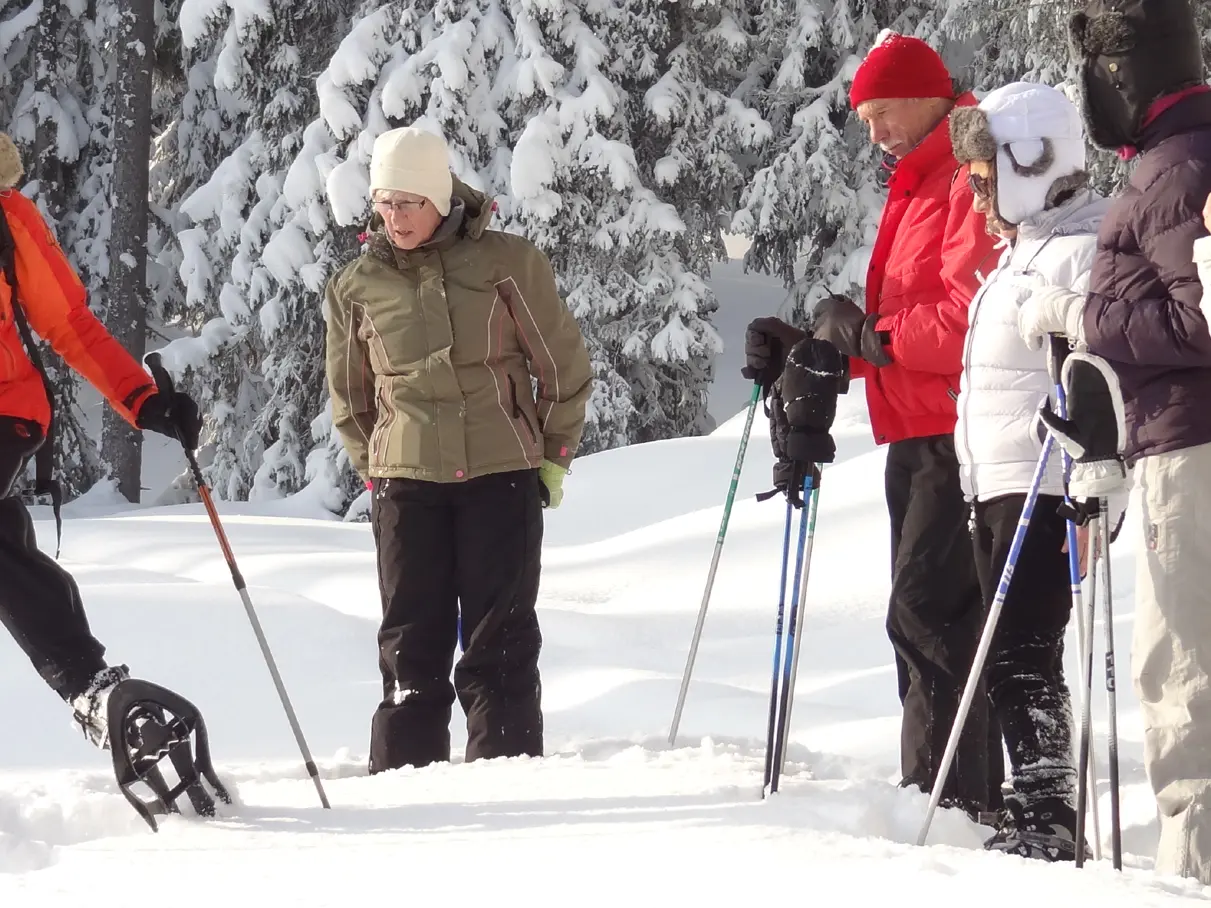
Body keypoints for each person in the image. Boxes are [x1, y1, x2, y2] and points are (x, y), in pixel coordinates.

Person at [745, 32, 1003, 817]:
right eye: (864, 120)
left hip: (960, 434)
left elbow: (971, 319)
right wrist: (819, 346)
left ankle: (951, 803)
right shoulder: (915, 182)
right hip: (916, 431)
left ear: (929, 97)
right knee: (923, 615)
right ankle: (946, 794)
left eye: (883, 112)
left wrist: (867, 338)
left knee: (930, 615)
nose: (875, 132)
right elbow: (897, 331)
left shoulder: (968, 174)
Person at [324, 126, 592, 774]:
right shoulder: (355, 287)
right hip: (405, 484)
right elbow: (350, 396)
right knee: (410, 642)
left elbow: (560, 364)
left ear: (441, 198)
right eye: (386, 202)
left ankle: (505, 778)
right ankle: (399, 786)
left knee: (498, 642)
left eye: (410, 202)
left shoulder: (507, 263)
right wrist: (379, 469)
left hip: (500, 474)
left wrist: (553, 452)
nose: (396, 217)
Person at [1020, 0, 1211, 882]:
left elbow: (1197, 317)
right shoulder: (1172, 163)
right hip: (1171, 439)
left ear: (1123, 77)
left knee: (1180, 670)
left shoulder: (1178, 170)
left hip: (1191, 451)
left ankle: (1192, 871)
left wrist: (1080, 315)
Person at [948, 80, 1118, 860]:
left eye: (986, 174)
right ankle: (1033, 801)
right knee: (1008, 651)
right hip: (999, 479)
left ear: (1030, 161)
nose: (976, 189)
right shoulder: (1023, 251)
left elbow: (1092, 369)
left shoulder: (1083, 248)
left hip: (1047, 481)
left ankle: (1048, 811)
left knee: (1021, 649)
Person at [0, 132, 203, 750]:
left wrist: (139, 396)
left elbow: (68, 322)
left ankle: (91, 686)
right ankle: (97, 691)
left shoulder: (7, 219)